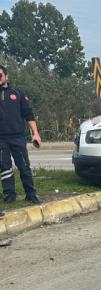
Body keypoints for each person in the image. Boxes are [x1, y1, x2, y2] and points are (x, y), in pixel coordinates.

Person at [0, 64, 42, 204]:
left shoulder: (18, 93)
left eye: (0, 75)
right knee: (5, 168)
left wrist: (35, 133)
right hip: (1, 140)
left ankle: (31, 194)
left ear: (6, 76)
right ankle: (9, 196)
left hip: (18, 137)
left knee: (24, 166)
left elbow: (28, 115)